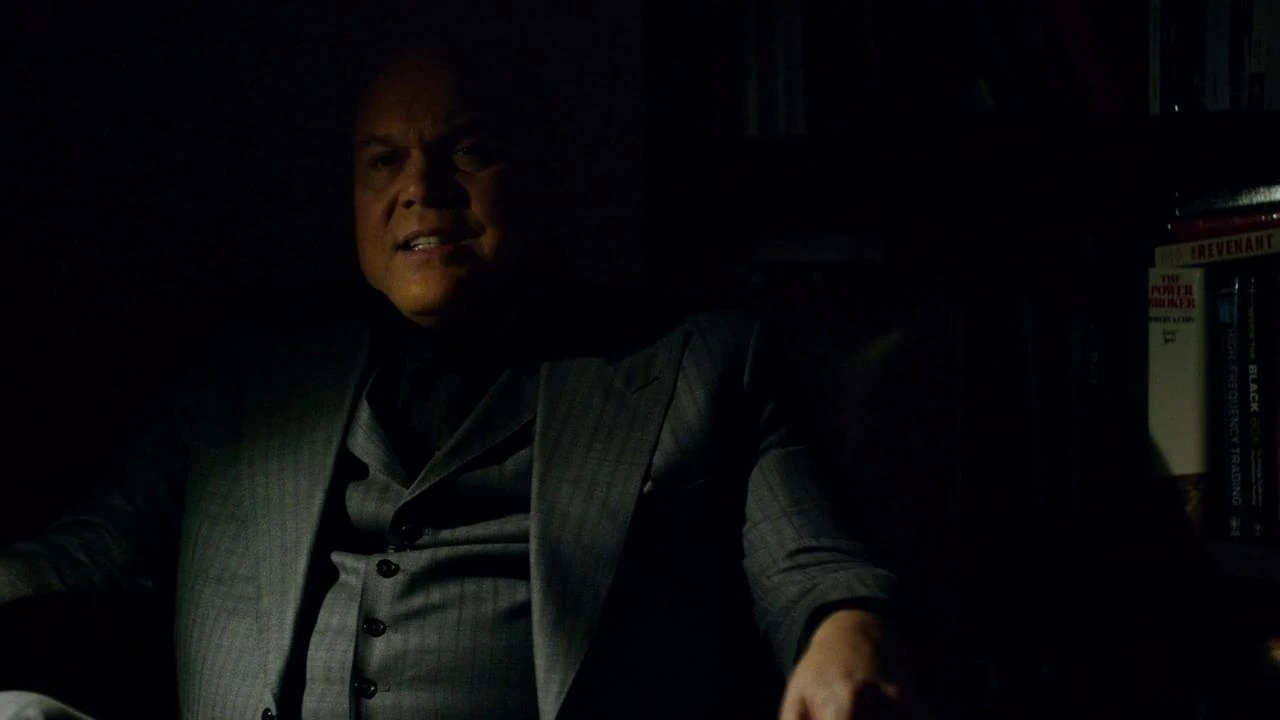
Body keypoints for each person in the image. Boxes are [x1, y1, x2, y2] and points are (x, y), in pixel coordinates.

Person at [0, 14, 923, 720]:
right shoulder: (247, 377)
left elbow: (814, 568)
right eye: (383, 161)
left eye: (468, 151)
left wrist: (847, 635)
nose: (420, 188)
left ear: (541, 175)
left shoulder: (702, 361)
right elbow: (93, 552)